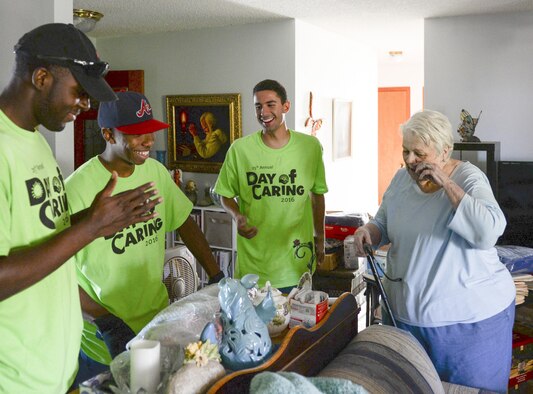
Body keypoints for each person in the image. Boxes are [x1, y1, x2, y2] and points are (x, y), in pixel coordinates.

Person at [0, 23, 161, 393]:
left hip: (55, 369)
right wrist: (88, 230)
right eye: (79, 92)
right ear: (41, 77)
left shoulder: (36, 141)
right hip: (14, 378)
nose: (87, 105)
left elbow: (34, 235)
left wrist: (90, 220)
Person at [65, 91, 225, 382]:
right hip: (104, 342)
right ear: (108, 134)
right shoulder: (75, 190)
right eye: (137, 133)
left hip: (155, 327)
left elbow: (184, 222)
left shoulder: (156, 172)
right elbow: (56, 273)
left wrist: (216, 275)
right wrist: (106, 322)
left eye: (150, 131)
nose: (149, 141)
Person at [352, 110, 515, 392]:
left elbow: (489, 231)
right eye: (406, 151)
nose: (411, 161)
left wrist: (445, 183)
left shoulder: (468, 178)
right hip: (405, 321)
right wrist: (369, 232)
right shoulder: (401, 180)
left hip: (467, 329)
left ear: (445, 151)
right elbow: (383, 223)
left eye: (419, 154)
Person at [214, 79, 328, 293]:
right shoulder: (240, 150)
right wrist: (237, 215)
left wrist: (320, 237)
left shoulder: (310, 147)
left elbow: (317, 194)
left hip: (296, 264)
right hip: (254, 268)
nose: (263, 112)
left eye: (270, 104)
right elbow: (225, 194)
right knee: (255, 326)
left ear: (286, 106)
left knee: (296, 326)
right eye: (258, 106)